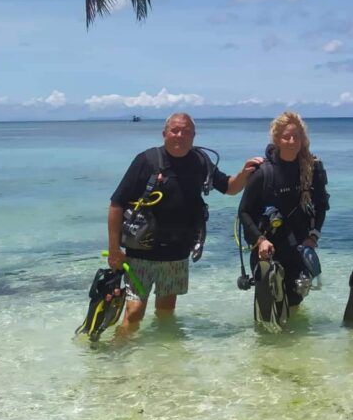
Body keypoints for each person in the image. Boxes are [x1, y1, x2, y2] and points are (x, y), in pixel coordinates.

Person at [107, 112, 257, 328]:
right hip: (141, 252)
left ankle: (165, 359)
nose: (180, 135)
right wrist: (114, 250)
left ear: (194, 136)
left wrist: (245, 172)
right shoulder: (146, 160)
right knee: (134, 312)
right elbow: (116, 204)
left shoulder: (200, 161)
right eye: (174, 130)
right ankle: (117, 357)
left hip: (177, 253)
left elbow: (230, 187)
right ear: (164, 133)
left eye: (185, 131)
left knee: (166, 313)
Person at [238, 111, 329, 309]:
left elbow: (322, 205)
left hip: (298, 249)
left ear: (303, 139)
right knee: (268, 311)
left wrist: (313, 237)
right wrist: (260, 240)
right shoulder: (263, 172)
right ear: (277, 139)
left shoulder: (312, 170)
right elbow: (243, 211)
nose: (292, 141)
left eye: (296, 136)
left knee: (294, 307)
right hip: (266, 250)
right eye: (286, 136)